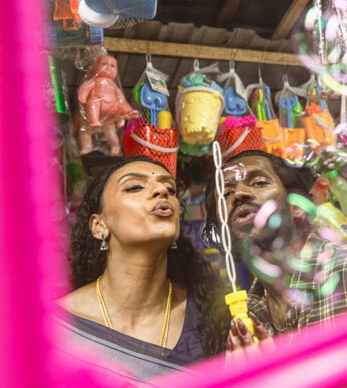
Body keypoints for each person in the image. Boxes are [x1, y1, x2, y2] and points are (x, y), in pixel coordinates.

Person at [56, 156, 230, 382]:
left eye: (170, 188)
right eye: (134, 187)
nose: (161, 191)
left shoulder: (212, 314)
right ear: (99, 226)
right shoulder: (55, 328)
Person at [203, 150, 347, 338]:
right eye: (225, 193)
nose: (240, 194)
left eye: (259, 182)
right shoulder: (248, 320)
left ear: (297, 206)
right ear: (221, 231)